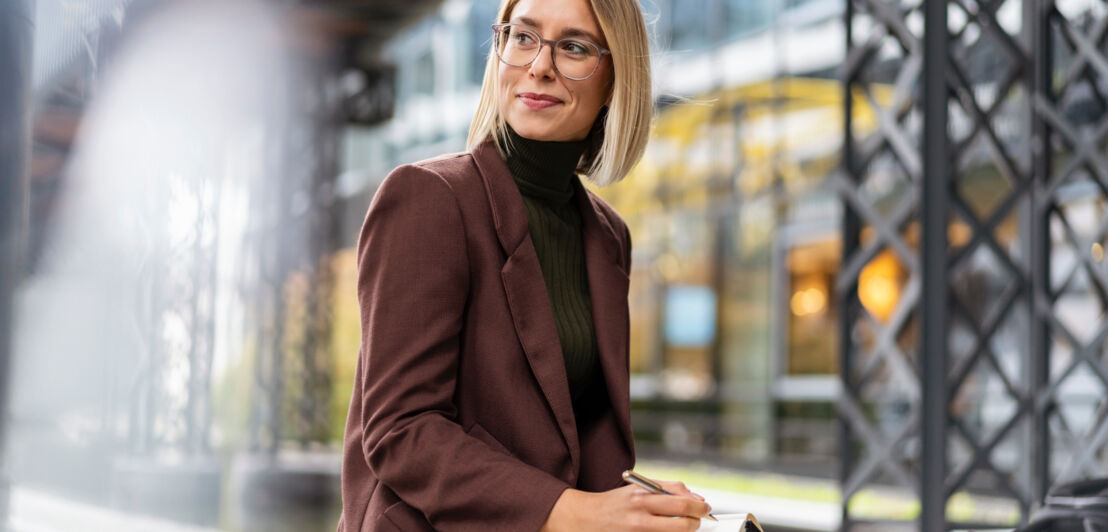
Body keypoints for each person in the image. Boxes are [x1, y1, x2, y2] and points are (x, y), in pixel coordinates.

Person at [337, 0, 713, 530]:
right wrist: (575, 511)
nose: (539, 65)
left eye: (575, 48)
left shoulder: (608, 237)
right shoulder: (428, 198)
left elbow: (585, 438)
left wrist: (648, 506)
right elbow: (402, 433)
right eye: (523, 37)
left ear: (615, 81)